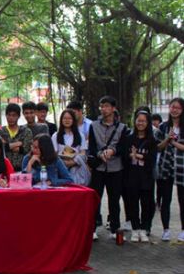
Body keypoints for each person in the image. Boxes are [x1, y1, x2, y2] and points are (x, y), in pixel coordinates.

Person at [88, 96, 128, 239]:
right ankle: (92, 229)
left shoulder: (122, 127)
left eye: (106, 106)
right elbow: (92, 147)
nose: (103, 109)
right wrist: (100, 154)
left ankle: (114, 229)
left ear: (113, 108)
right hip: (99, 168)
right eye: (102, 106)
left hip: (115, 168)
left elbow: (123, 147)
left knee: (114, 199)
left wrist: (113, 151)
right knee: (95, 198)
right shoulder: (93, 126)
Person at [122, 110, 158, 242]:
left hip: (146, 177)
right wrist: (130, 156)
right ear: (135, 121)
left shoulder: (151, 140)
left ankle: (144, 229)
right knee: (133, 204)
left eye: (143, 121)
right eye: (138, 120)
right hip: (132, 176)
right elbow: (124, 156)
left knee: (146, 204)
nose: (140, 123)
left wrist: (138, 155)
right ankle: (135, 229)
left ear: (148, 123)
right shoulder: (129, 139)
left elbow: (152, 160)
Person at [155, 97, 184, 242]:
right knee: (165, 200)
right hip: (165, 167)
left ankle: (183, 230)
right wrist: (167, 140)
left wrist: (173, 142)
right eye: (173, 107)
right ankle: (166, 229)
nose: (175, 110)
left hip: (181, 168)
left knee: (182, 200)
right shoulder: (163, 127)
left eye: (178, 108)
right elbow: (156, 147)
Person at [52, 109, 89, 185]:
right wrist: (63, 163)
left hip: (76, 168)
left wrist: (72, 162)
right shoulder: (56, 135)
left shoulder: (80, 135)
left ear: (73, 120)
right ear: (61, 120)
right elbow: (54, 153)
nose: (67, 120)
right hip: (60, 169)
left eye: (69, 118)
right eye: (65, 118)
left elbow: (83, 153)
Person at [0, 103, 32, 172]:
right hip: (4, 169)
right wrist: (17, 144)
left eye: (14, 115)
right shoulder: (0, 131)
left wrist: (7, 146)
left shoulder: (26, 131)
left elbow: (26, 149)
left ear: (18, 116)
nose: (11, 118)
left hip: (22, 169)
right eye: (9, 115)